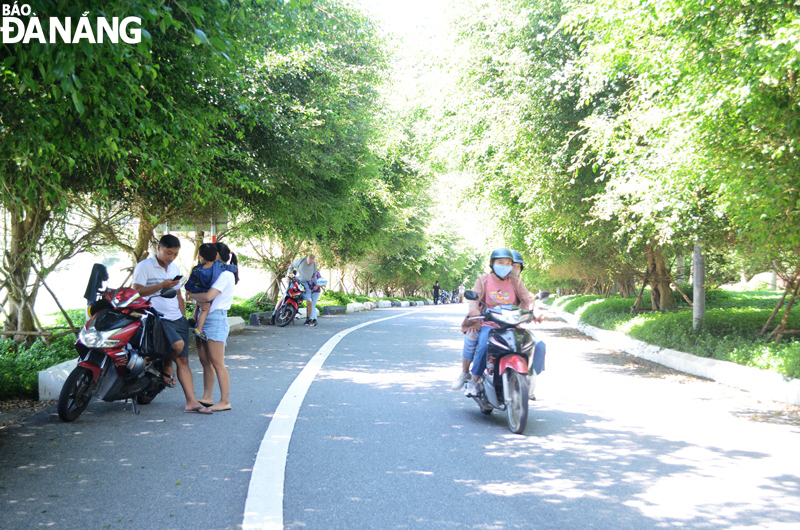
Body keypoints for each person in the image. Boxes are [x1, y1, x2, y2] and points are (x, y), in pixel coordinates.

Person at [133, 234, 211, 414]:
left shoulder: (174, 267)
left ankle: (191, 402)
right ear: (159, 247)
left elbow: (178, 295)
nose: (172, 257)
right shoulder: (144, 266)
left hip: (176, 318)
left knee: (183, 359)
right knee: (177, 345)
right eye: (169, 253)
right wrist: (161, 285)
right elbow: (136, 291)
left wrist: (182, 316)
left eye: (175, 254)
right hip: (156, 317)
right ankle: (167, 365)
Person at [450, 248, 537, 397]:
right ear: (492, 264)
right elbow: (473, 299)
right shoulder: (483, 280)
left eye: (509, 263)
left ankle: (526, 379)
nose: (505, 266)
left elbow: (527, 299)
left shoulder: (516, 281)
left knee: (530, 343)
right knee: (484, 345)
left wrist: (535, 311)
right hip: (489, 325)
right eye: (500, 262)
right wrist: (475, 313)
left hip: (511, 325)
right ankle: (474, 380)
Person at [188, 243, 237, 412]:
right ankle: (207, 397)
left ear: (216, 255)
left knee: (217, 363)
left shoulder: (226, 275)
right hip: (204, 317)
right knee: (205, 361)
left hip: (215, 319)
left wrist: (192, 295)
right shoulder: (213, 274)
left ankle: (225, 401)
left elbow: (208, 296)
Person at [510, 249, 547, 399]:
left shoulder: (519, 285)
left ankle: (529, 378)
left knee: (539, 346)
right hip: (493, 328)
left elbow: (529, 302)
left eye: (518, 266)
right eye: (512, 265)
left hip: (515, 329)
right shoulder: (491, 282)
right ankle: (475, 379)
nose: (514, 269)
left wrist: (535, 311)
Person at [184, 244, 238, 340]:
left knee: (204, 306)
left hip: (200, 292)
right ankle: (199, 328)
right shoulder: (221, 267)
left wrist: (190, 291)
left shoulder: (197, 269)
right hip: (210, 305)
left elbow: (191, 284)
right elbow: (232, 268)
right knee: (206, 308)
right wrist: (234, 266)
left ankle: (195, 317)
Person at [287, 254, 321, 327]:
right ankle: (275, 314)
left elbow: (314, 276)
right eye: (308, 261)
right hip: (296, 281)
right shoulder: (301, 261)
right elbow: (292, 266)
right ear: (307, 259)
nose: (309, 263)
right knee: (286, 295)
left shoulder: (314, 265)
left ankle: (308, 319)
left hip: (306, 284)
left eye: (311, 262)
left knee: (310, 301)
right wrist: (288, 273)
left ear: (313, 261)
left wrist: (317, 284)